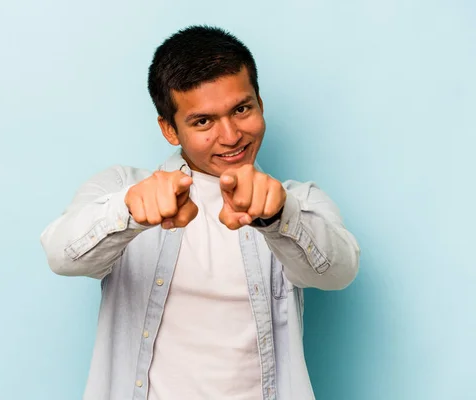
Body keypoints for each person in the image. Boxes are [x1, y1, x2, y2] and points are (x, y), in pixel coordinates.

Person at [40, 25, 360, 400]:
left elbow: (339, 273)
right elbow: (60, 254)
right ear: (170, 129)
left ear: (260, 103)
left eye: (242, 109)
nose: (230, 135)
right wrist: (129, 212)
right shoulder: (119, 189)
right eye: (203, 121)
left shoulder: (299, 201)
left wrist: (279, 217)